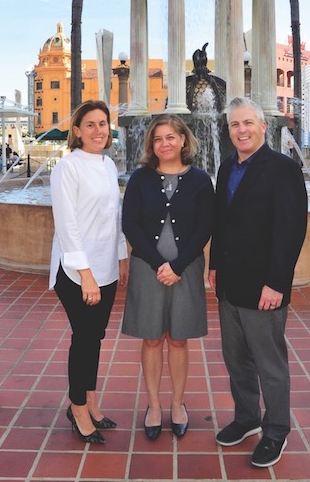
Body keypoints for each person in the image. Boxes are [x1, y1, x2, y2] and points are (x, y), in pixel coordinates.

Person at [208, 97, 308, 468]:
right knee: (236, 359)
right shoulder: (226, 167)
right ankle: (247, 417)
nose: (242, 130)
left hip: (265, 286)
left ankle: (276, 428)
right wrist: (214, 265)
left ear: (263, 126)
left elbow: (291, 231)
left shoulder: (282, 169)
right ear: (229, 129)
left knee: (270, 362)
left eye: (248, 123)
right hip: (230, 284)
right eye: (235, 124)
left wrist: (277, 283)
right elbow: (223, 223)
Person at [122, 114, 214, 440]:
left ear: (184, 141)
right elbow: (130, 224)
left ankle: (177, 404)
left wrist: (177, 266)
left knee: (178, 339)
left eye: (171, 137)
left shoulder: (201, 180)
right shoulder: (140, 179)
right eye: (158, 139)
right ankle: (153, 405)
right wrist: (158, 263)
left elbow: (206, 226)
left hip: (185, 271)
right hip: (148, 269)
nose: (165, 144)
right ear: (152, 145)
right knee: (151, 338)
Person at [50, 100, 128, 445]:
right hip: (76, 271)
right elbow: (67, 225)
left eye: (103, 123)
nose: (99, 130)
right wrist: (86, 273)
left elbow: (115, 216)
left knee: (95, 338)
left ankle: (90, 401)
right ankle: (77, 408)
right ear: (77, 131)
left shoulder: (109, 165)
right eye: (91, 124)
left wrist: (121, 256)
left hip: (106, 266)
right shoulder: (68, 167)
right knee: (83, 339)